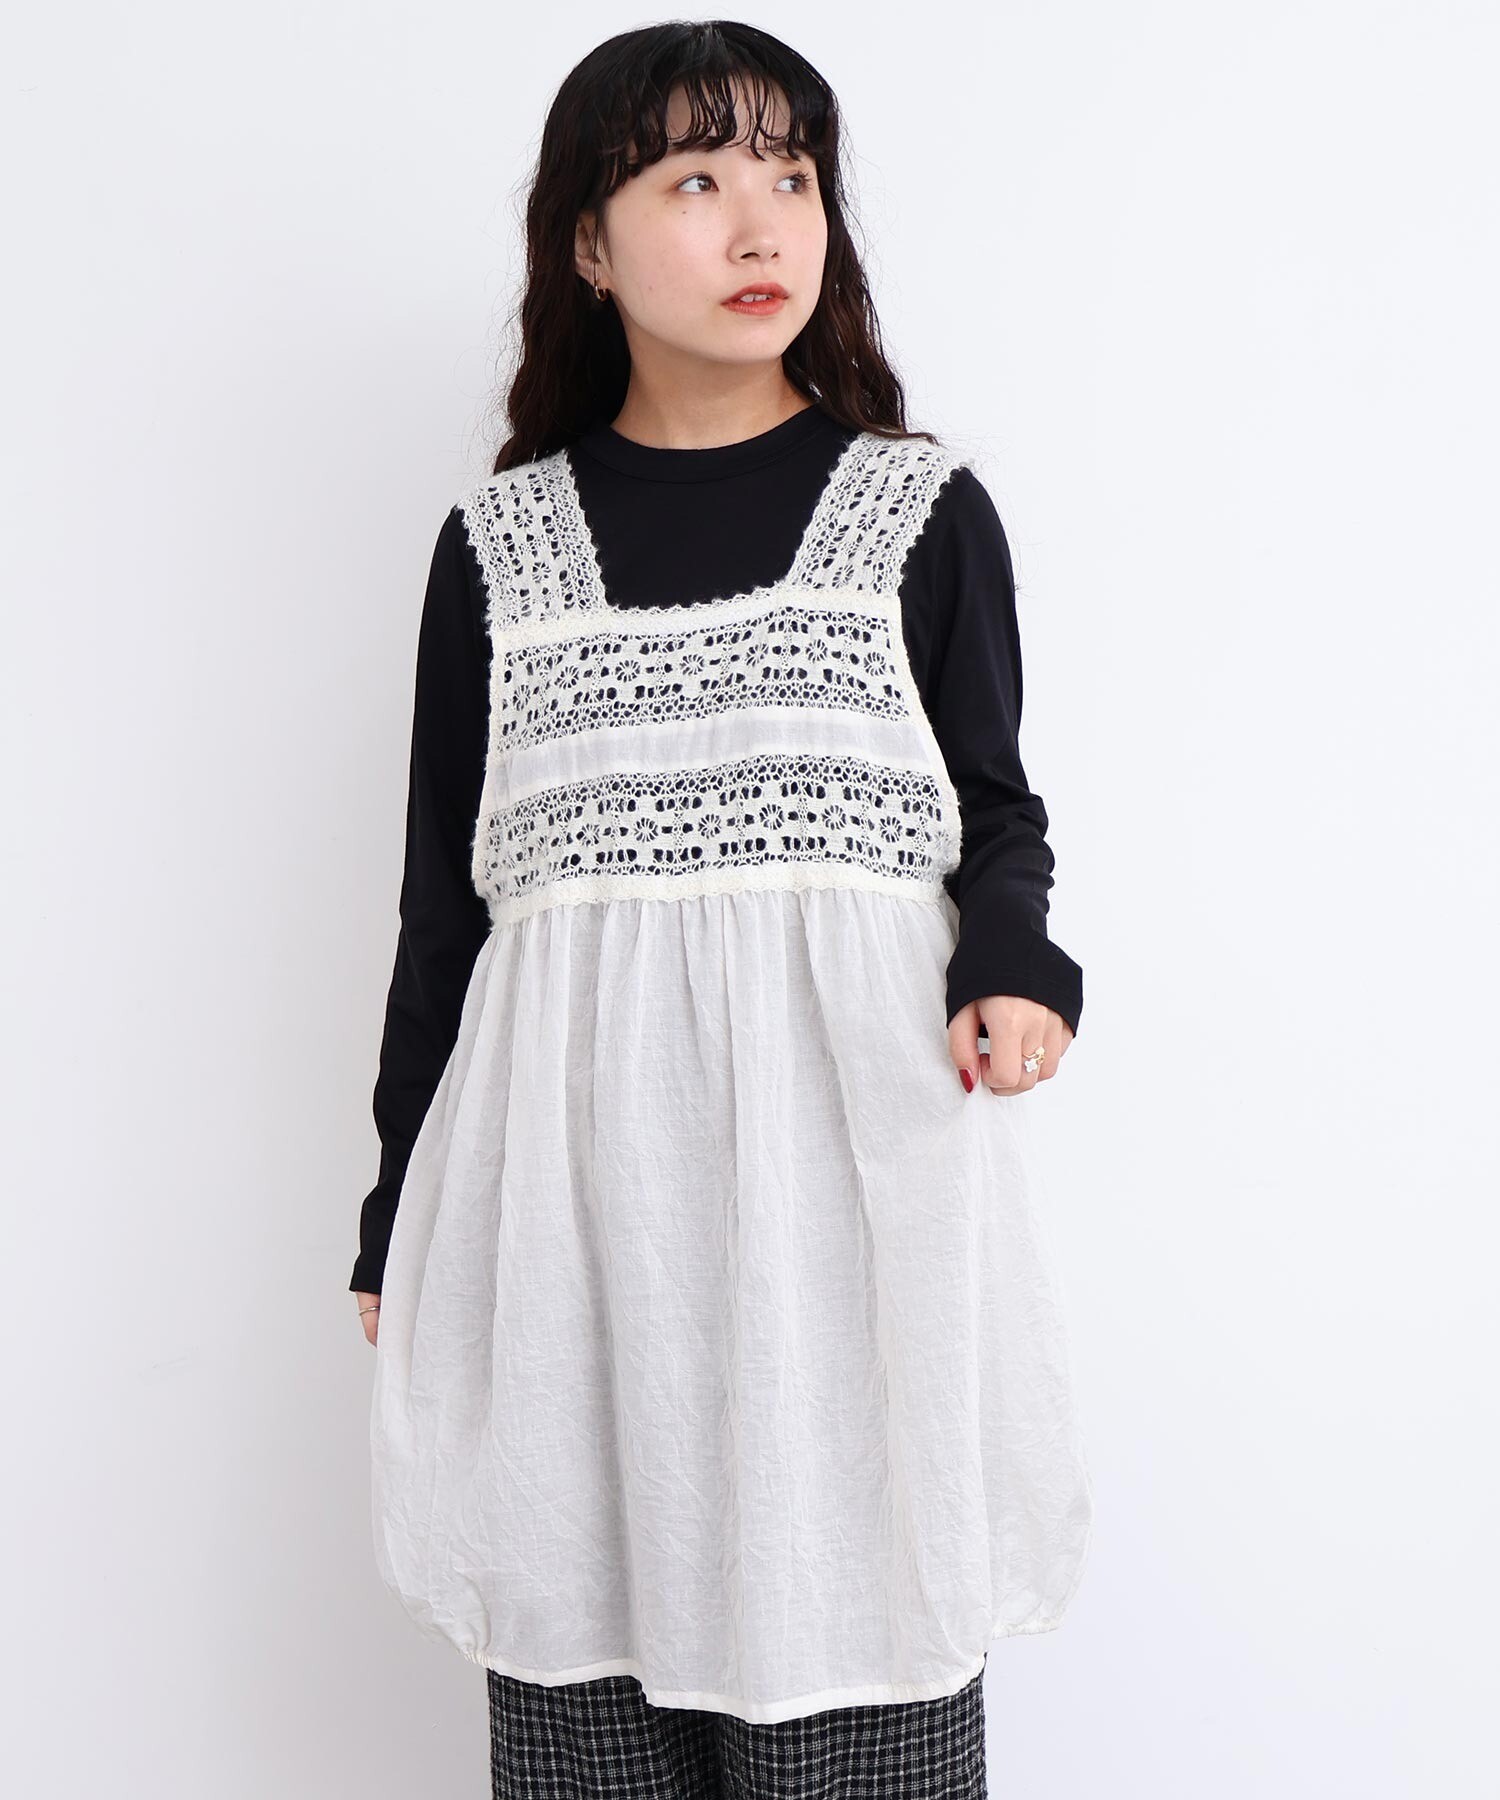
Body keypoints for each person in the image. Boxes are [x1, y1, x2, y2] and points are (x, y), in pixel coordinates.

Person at [349, 20, 1093, 1797]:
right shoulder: (498, 554)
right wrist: (392, 1214)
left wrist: (1015, 959)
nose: (763, 225)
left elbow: (996, 812)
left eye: (793, 177)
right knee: (582, 1663)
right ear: (587, 245)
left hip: (849, 1220)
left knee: (858, 1645)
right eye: (695, 180)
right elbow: (445, 916)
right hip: (573, 1240)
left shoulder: (917, 513)